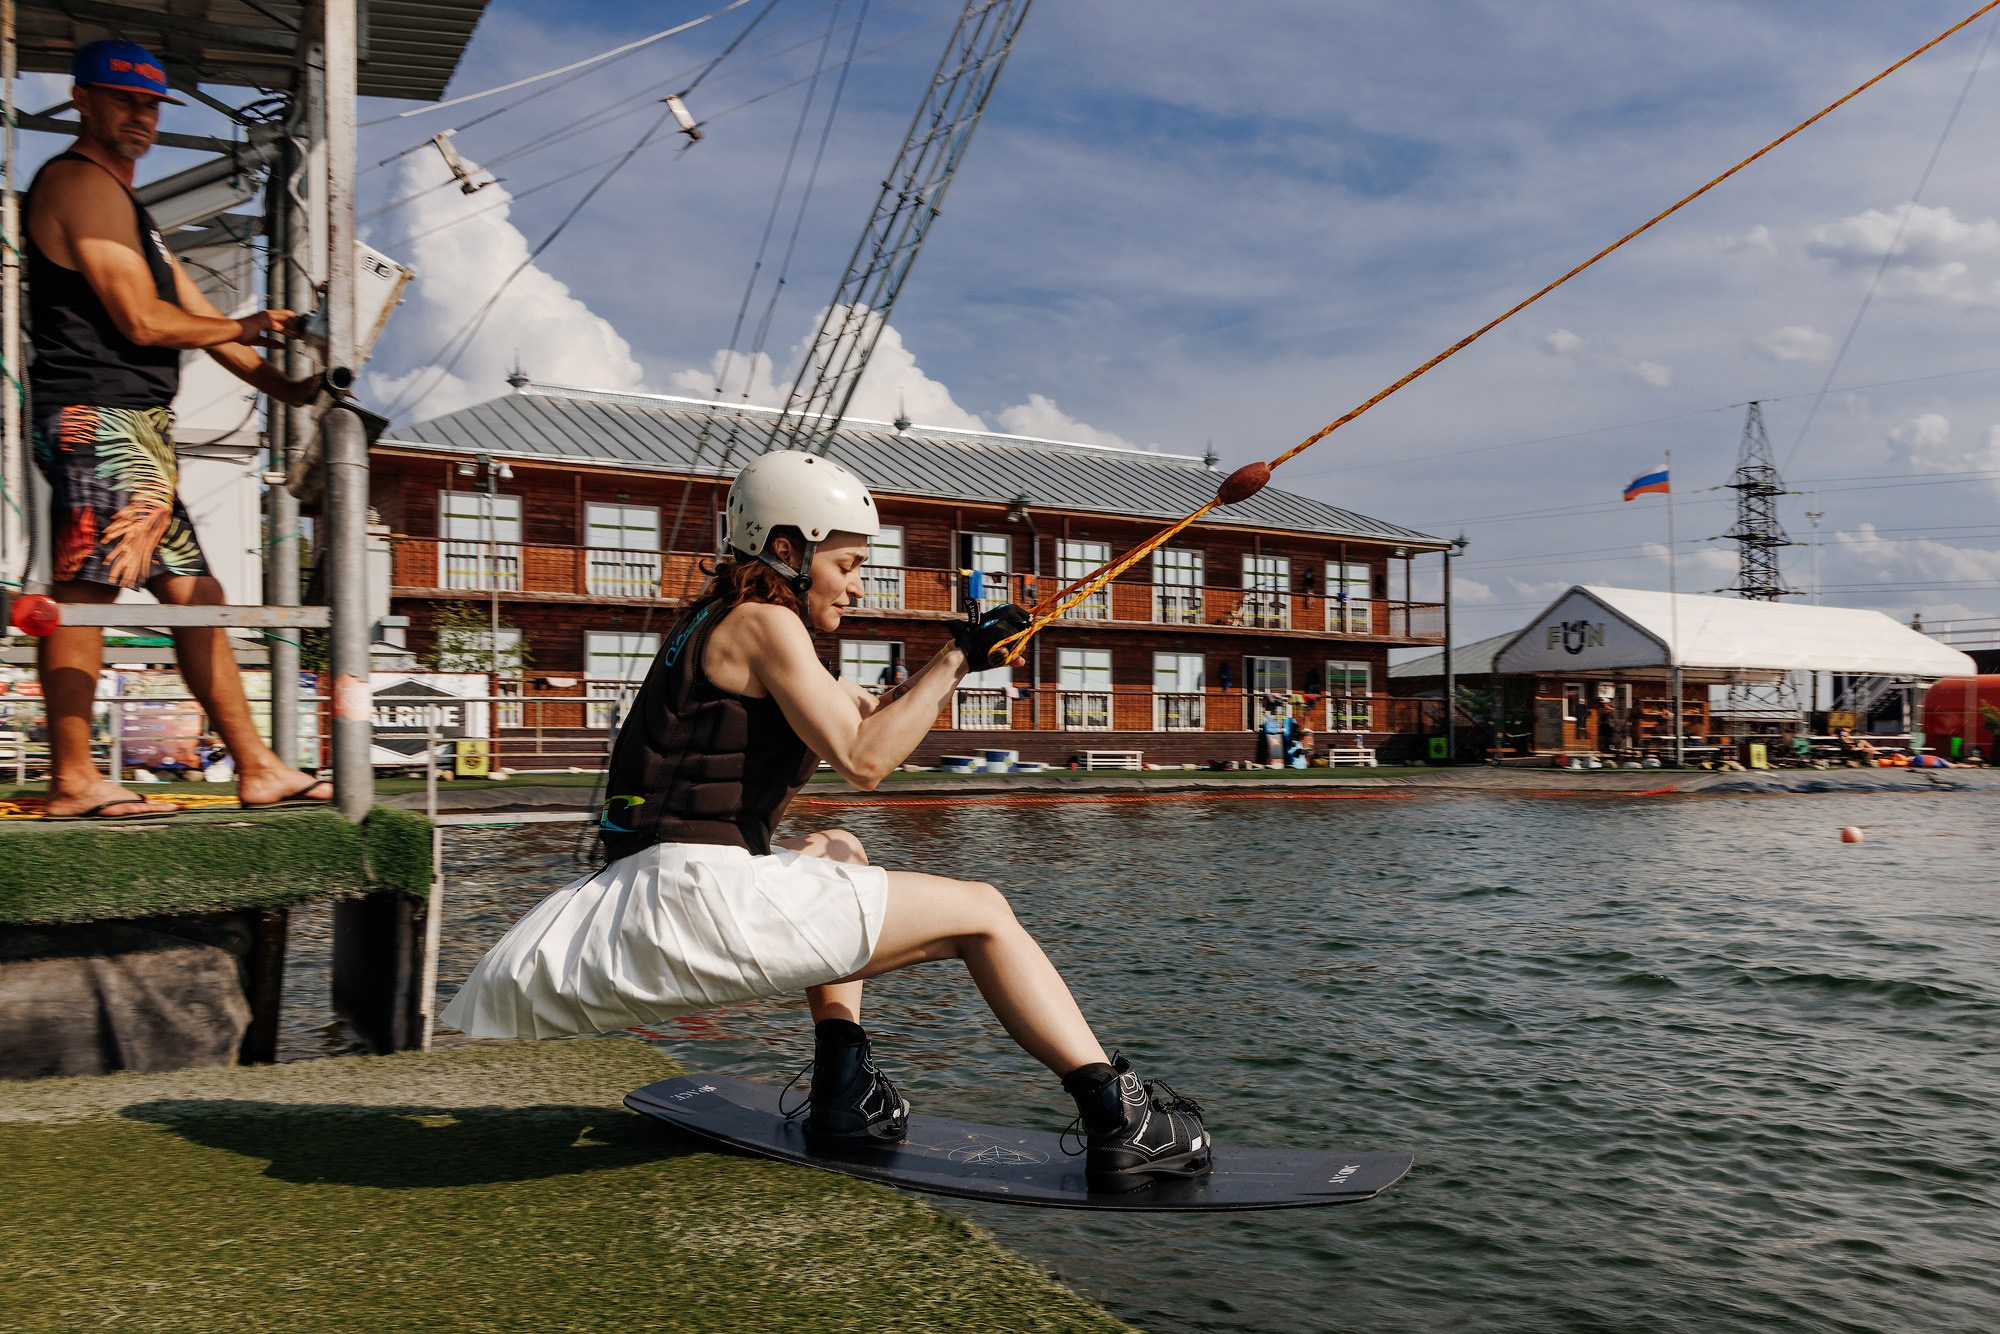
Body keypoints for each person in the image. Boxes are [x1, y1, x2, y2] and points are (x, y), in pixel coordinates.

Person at [444, 452, 1212, 1190]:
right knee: (984, 913)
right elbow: (864, 759)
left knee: (841, 849)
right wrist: (955, 661)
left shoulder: (719, 622)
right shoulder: (765, 624)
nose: (857, 585)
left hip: (643, 894)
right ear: (787, 549)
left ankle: (842, 1089)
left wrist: (956, 661)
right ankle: (1120, 1118)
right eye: (847, 564)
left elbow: (870, 713)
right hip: (694, 897)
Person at [26, 40, 326, 820]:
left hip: (138, 428)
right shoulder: (79, 182)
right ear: (81, 100)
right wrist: (251, 324)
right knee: (87, 590)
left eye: (153, 105)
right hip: (100, 416)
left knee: (198, 594)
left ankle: (257, 766)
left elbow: (201, 322)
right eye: (125, 99)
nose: (142, 117)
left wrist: (290, 387)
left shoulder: (131, 212)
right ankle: (73, 778)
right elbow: (142, 319)